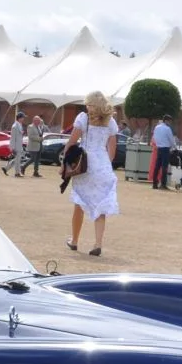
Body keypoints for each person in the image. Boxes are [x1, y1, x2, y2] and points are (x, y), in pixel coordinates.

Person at [65, 90, 120, 256]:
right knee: (100, 204)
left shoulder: (83, 118)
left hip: (86, 164)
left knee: (79, 202)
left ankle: (74, 240)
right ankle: (97, 243)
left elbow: (72, 142)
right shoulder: (110, 122)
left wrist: (65, 162)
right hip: (102, 165)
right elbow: (112, 149)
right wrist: (105, 165)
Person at [150, 115, 176, 189]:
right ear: (166, 121)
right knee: (164, 167)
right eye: (170, 121)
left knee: (157, 166)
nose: (170, 123)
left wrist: (158, 144)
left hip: (159, 148)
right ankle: (163, 184)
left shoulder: (157, 127)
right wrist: (173, 147)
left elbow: (154, 137)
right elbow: (171, 140)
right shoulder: (167, 129)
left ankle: (154, 183)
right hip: (165, 149)